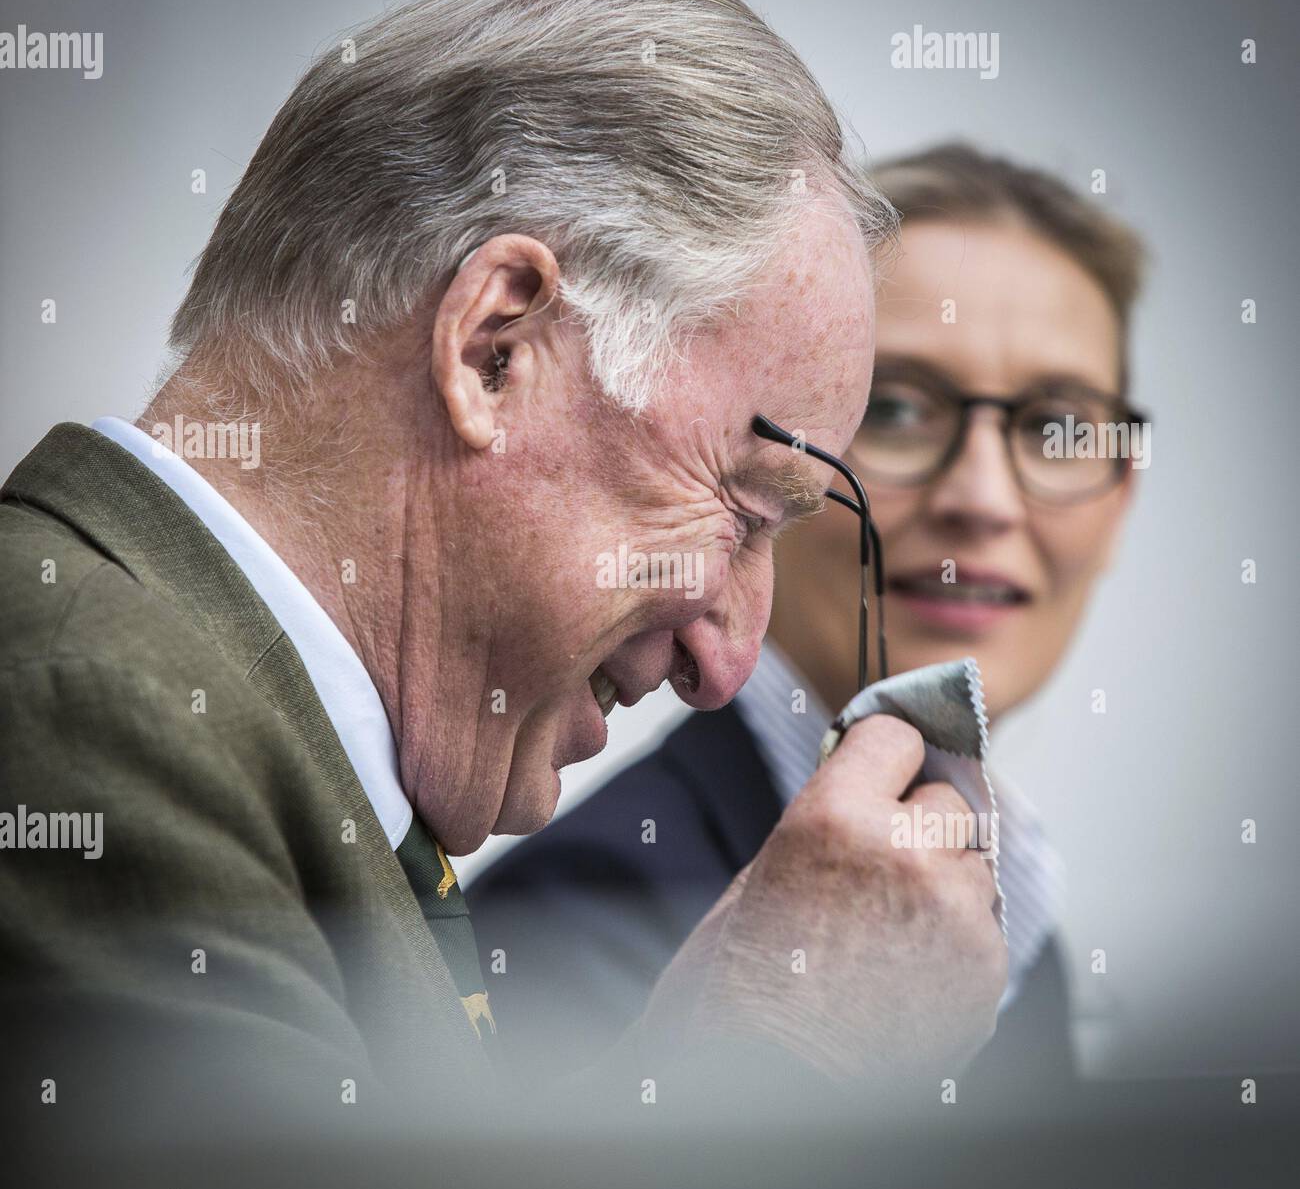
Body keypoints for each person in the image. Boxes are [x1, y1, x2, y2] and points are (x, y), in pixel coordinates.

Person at [0, 0, 1008, 1189]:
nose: (729, 662)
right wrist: (776, 1064)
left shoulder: (247, 734)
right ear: (494, 348)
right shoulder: (85, 710)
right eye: (748, 509)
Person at [469, 143, 1147, 1091]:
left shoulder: (1016, 928)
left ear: (1118, 502)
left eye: (1055, 430)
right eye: (903, 407)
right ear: (781, 463)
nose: (984, 499)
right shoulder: (576, 926)